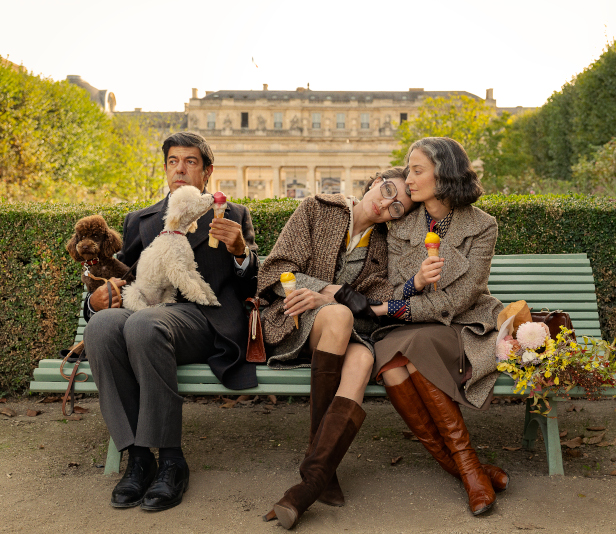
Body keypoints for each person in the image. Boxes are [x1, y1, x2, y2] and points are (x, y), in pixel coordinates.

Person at [83, 132, 259, 512]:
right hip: (147, 316)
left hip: (203, 321)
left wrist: (240, 251)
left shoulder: (232, 215)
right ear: (165, 169)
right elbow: (124, 277)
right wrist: (96, 300)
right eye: (173, 161)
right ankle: (139, 457)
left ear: (207, 172)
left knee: (145, 324)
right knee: (101, 327)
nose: (180, 168)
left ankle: (173, 460)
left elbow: (255, 284)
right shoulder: (140, 220)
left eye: (190, 161)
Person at [255, 168, 415, 529]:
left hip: (343, 335)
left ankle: (311, 481)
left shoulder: (384, 244)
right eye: (387, 189)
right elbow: (276, 270)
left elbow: (374, 300)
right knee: (340, 314)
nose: (386, 203)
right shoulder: (316, 208)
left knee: (362, 359)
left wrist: (408, 287)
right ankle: (322, 471)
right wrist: (333, 293)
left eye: (397, 207)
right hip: (292, 320)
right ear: (374, 181)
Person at [370, 137, 507, 516]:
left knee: (411, 353)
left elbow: (465, 294)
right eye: (408, 169)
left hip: (460, 326)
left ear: (442, 173)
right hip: (407, 328)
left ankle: (466, 468)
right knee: (398, 362)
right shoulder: (402, 224)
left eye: (417, 170)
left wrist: (396, 308)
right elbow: (394, 285)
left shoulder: (482, 226)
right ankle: (467, 469)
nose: (408, 179)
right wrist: (411, 284)